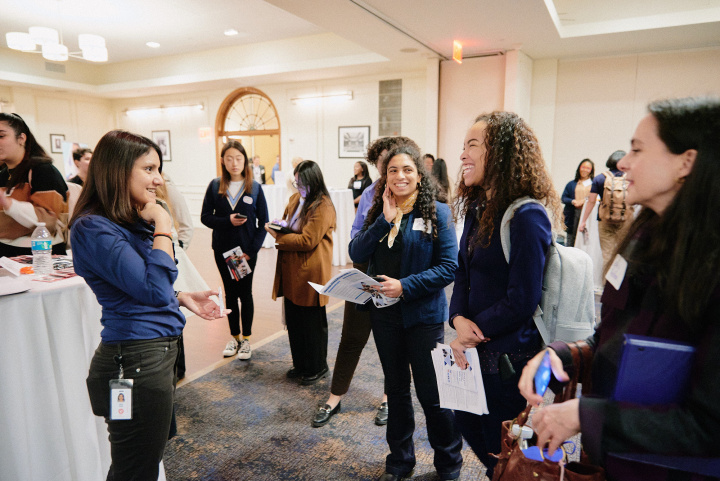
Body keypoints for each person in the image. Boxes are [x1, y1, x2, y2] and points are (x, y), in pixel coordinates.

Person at [518, 97, 720, 481]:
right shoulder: (645, 236)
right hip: (616, 458)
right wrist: (563, 354)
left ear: (686, 162)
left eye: (638, 149)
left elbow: (708, 425)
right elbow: (616, 337)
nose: (622, 163)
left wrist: (585, 414)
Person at [69, 129, 228, 480]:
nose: (158, 179)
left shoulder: (123, 220)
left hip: (146, 358)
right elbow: (153, 289)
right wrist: (164, 226)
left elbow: (140, 288)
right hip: (133, 363)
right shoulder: (93, 227)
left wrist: (181, 297)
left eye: (159, 169)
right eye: (149, 169)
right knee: (135, 467)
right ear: (118, 169)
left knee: (140, 460)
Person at [448, 111, 561, 478]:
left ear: (501, 153)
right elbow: (461, 272)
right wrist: (457, 318)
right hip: (476, 346)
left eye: (473, 145)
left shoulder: (528, 216)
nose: (463, 154)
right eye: (463, 146)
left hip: (511, 358)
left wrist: (471, 329)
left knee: (508, 446)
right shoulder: (478, 209)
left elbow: (522, 299)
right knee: (468, 424)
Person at [349, 142, 463, 481]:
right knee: (396, 389)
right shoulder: (378, 209)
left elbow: (448, 267)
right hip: (385, 316)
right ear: (386, 176)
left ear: (419, 175)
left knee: (432, 394)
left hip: (424, 318)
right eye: (394, 170)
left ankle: (448, 462)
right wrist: (383, 220)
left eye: (407, 170)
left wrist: (405, 286)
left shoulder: (438, 212)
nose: (400, 176)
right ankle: (400, 459)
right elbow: (357, 250)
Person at [313, 137, 410, 429]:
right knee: (352, 337)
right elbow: (356, 239)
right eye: (380, 161)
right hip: (364, 270)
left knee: (394, 342)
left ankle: (389, 398)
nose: (385, 166)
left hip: (396, 276)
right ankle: (335, 395)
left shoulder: (416, 195)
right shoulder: (369, 193)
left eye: (390, 160)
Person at [266, 160, 336, 385]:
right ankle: (301, 364)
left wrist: (279, 237)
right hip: (292, 268)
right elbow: (289, 224)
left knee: (312, 323)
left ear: (314, 182)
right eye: (296, 183)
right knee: (295, 321)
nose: (299, 188)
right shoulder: (296, 199)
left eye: (303, 183)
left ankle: (317, 366)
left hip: (311, 272)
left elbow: (308, 240)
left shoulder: (323, 205)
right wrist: (279, 225)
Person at [201, 140, 268, 360]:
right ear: (222, 161)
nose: (234, 163)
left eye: (238, 158)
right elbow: (205, 217)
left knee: (244, 293)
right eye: (229, 158)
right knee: (229, 294)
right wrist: (226, 220)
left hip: (245, 252)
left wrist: (252, 250)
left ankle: (246, 340)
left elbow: (263, 223)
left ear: (245, 160)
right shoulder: (215, 186)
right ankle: (235, 337)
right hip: (222, 250)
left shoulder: (255, 188)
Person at [0, 112, 68, 257]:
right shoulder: (3, 175)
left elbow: (47, 221)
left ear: (21, 138)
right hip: (6, 254)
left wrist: (10, 205)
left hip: (39, 256)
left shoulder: (43, 171)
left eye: (1, 136)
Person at [578, 150, 631, 265]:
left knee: (607, 254)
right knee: (623, 254)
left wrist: (583, 221)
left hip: (605, 220)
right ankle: (621, 282)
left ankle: (606, 282)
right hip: (625, 221)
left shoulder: (600, 178)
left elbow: (591, 201)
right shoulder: (629, 178)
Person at [561, 158, 594, 247]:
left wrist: (584, 201)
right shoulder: (571, 184)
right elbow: (563, 198)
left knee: (584, 240)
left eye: (588, 168)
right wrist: (573, 201)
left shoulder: (594, 184)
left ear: (591, 170)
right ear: (579, 168)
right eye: (583, 167)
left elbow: (597, 198)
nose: (585, 170)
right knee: (571, 238)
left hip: (587, 214)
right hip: (573, 213)